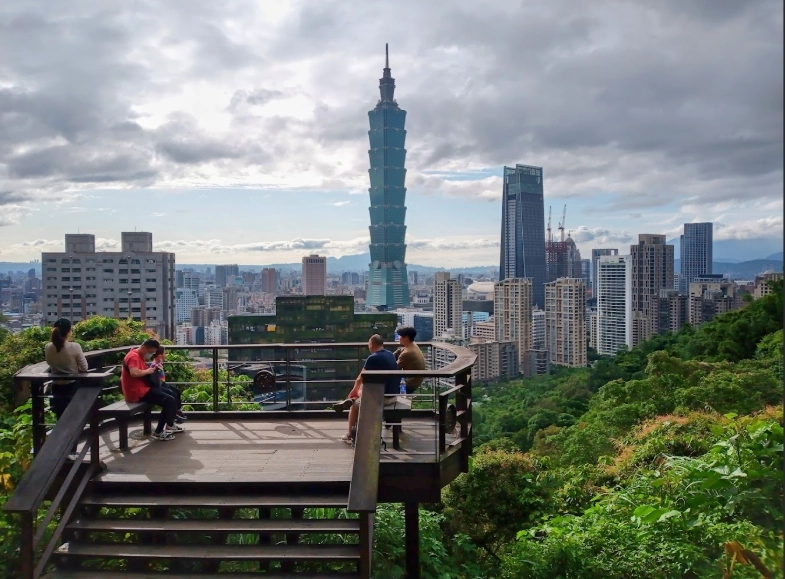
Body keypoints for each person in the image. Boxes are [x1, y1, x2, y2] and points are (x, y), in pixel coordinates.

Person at [339, 334, 400, 445]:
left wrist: (353, 391)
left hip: (383, 399)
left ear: (371, 344)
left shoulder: (373, 358)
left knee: (355, 404)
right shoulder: (390, 354)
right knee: (362, 391)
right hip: (394, 396)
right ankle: (355, 400)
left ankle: (349, 434)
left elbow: (360, 378)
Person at [121, 338, 182, 441]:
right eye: (151, 352)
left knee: (173, 394)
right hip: (137, 392)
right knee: (169, 400)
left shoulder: (138, 355)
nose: (151, 355)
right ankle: (158, 432)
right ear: (144, 347)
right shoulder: (133, 356)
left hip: (143, 388)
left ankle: (170, 424)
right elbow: (134, 373)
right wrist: (148, 371)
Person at [44, 318, 88, 459]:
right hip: (72, 387)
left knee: (60, 420)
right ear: (69, 331)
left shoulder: (48, 347)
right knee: (73, 421)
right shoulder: (74, 347)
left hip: (56, 387)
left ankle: (61, 451)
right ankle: (72, 451)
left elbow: (50, 364)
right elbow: (84, 367)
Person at [149, 346, 187, 424]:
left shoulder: (158, 363)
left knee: (177, 392)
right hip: (160, 386)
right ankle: (174, 415)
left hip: (163, 384)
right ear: (160, 355)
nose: (165, 354)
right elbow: (155, 379)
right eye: (164, 353)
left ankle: (177, 411)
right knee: (173, 395)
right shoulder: (154, 365)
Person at [393, 326, 426, 394]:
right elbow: (400, 350)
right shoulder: (413, 346)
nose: (399, 338)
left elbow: (394, 369)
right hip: (415, 381)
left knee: (382, 385)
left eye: (400, 336)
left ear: (406, 338)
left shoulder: (407, 353)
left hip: (409, 385)